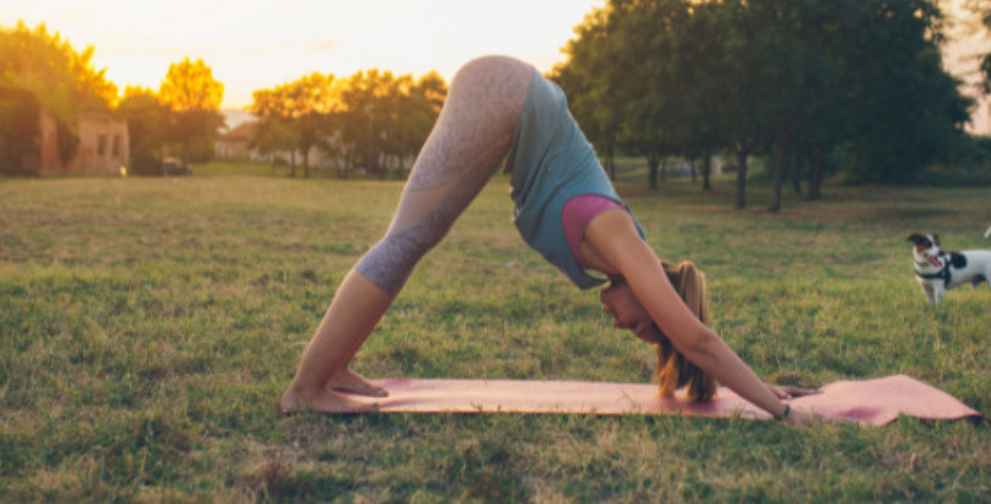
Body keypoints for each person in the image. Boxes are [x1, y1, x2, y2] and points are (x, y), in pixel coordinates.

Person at [280, 55, 816, 423]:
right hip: (504, 92)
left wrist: (762, 389)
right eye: (636, 324)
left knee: (413, 238)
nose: (617, 324)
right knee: (408, 239)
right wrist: (783, 411)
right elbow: (698, 340)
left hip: (507, 94)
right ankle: (306, 388)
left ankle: (331, 368)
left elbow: (697, 348)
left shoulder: (618, 253)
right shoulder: (624, 243)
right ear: (654, 297)